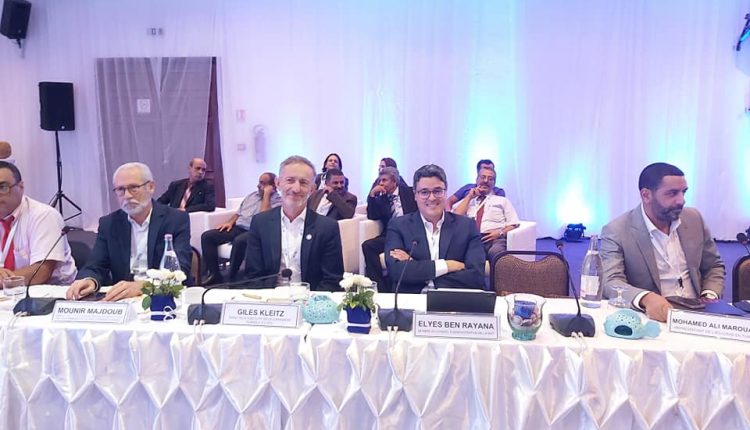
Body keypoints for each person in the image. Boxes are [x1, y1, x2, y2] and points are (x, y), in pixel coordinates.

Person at [600, 162, 725, 322]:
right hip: (654, 317)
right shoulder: (617, 230)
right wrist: (645, 297)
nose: (681, 201)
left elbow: (713, 266)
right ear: (646, 195)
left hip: (699, 314)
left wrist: (710, 295)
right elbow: (611, 281)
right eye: (672, 193)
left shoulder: (694, 218)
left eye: (683, 192)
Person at [66, 162, 192, 301]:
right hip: (124, 298)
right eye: (120, 189)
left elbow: (179, 269)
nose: (127, 195)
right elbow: (95, 265)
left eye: (133, 188)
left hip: (163, 297)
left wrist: (144, 286)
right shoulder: (109, 223)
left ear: (151, 187)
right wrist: (89, 280)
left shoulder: (175, 219)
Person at [244, 155, 344, 291]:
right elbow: (253, 277)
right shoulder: (260, 223)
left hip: (311, 299)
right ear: (278, 183)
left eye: (303, 183)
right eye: (290, 180)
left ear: (312, 189)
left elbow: (332, 280)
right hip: (270, 299)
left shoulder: (327, 228)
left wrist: (308, 301)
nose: (296, 189)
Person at [385, 164, 485, 293]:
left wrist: (417, 269)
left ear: (445, 192)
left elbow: (476, 276)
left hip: (452, 300)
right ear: (415, 195)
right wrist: (447, 265)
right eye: (424, 192)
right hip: (411, 300)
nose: (432, 198)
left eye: (437, 191)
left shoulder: (467, 226)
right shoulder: (398, 225)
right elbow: (396, 271)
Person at [0, 161, 76, 285]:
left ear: (21, 187)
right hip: (9, 292)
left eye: (2, 187)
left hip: (52, 291)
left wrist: (4, 281)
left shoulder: (44, 216)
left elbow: (40, 273)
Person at [201, 172, 282, 285]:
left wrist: (266, 195)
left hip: (255, 231)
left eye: (262, 183)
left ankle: (231, 278)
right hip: (239, 226)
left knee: (239, 241)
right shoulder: (251, 196)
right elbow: (238, 213)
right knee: (207, 236)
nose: (258, 186)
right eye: (259, 182)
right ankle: (214, 274)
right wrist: (230, 222)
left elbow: (263, 217)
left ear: (272, 186)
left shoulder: (277, 200)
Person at [361, 166, 418, 291]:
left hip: (411, 233)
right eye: (380, 181)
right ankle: (378, 287)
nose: (381, 183)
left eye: (384, 180)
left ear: (394, 182)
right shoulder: (381, 198)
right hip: (391, 235)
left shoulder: (409, 192)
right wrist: (372, 196)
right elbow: (372, 216)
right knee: (367, 246)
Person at [452, 167, 519, 261]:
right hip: (473, 239)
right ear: (477, 180)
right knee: (463, 253)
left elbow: (514, 224)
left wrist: (500, 233)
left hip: (495, 239)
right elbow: (456, 216)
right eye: (483, 177)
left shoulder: (502, 201)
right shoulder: (468, 201)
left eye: (490, 179)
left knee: (496, 252)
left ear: (494, 183)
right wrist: (469, 197)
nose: (486, 181)